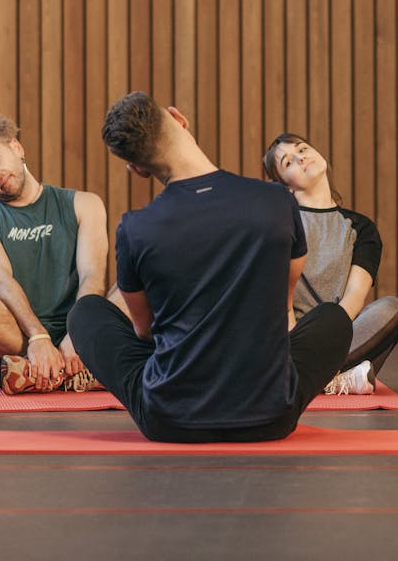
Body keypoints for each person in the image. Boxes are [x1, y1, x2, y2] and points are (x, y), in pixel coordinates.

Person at [67, 91, 353, 442]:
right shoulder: (275, 200)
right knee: (334, 319)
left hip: (170, 420)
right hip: (270, 415)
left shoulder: (135, 228)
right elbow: (282, 303)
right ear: (178, 118)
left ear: (137, 169)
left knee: (86, 313)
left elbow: (146, 332)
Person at [0, 113, 113, 394]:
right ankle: (71, 369)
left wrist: (79, 333)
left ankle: (33, 374)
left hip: (76, 328)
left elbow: (92, 276)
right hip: (16, 338)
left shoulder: (86, 204)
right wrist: (38, 337)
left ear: (16, 147)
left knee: (140, 282)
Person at [262, 133, 398, 394]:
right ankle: (333, 378)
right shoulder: (278, 222)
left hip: (337, 333)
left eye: (303, 148)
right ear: (287, 186)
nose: (301, 157)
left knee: (391, 309)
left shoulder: (361, 227)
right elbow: (277, 296)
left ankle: (312, 376)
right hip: (287, 334)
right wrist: (296, 340)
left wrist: (330, 339)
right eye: (288, 162)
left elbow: (354, 296)